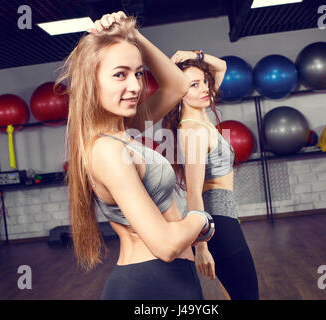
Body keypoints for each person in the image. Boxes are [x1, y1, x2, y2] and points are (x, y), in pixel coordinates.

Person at [56, 12, 214, 300]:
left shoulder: (125, 129)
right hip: (150, 283)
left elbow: (177, 86)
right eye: (120, 74)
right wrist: (201, 219)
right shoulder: (107, 150)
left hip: (167, 279)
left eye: (138, 73)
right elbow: (165, 245)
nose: (136, 86)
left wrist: (131, 34)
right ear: (91, 82)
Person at [162, 51, 259, 300]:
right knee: (247, 296)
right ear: (179, 91)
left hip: (225, 215)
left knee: (235, 295)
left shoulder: (201, 117)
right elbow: (194, 194)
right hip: (217, 222)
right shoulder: (192, 131)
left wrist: (196, 55)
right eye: (193, 85)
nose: (205, 88)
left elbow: (222, 66)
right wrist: (202, 246)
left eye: (204, 81)